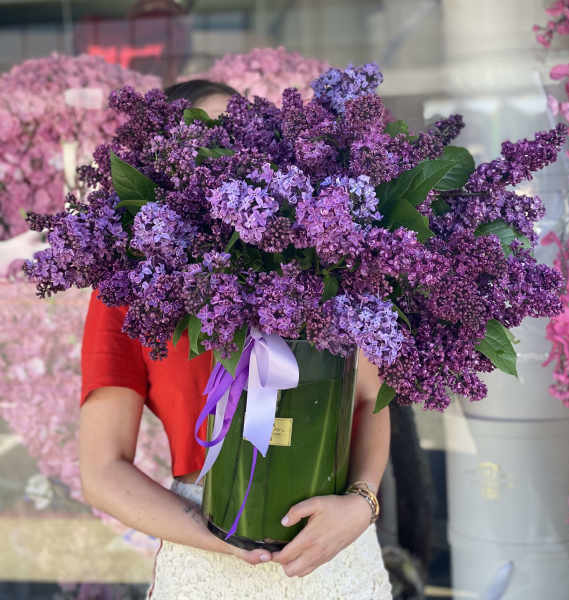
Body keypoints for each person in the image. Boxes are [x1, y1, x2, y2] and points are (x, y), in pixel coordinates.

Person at [78, 79, 392, 599]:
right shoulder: (129, 285)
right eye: (208, 143)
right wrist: (217, 536)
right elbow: (102, 469)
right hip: (207, 551)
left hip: (336, 552)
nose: (228, 159)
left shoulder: (321, 257)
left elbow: (367, 400)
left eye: (244, 137)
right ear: (166, 169)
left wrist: (362, 503)